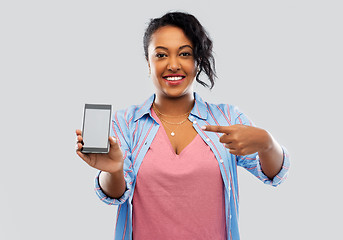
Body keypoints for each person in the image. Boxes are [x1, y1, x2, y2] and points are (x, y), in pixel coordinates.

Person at [75, 11, 290, 240]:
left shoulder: (227, 117)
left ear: (198, 61)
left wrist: (267, 143)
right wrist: (114, 170)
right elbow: (114, 194)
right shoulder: (126, 122)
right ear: (148, 63)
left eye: (185, 54)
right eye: (161, 55)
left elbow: (274, 175)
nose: (173, 65)